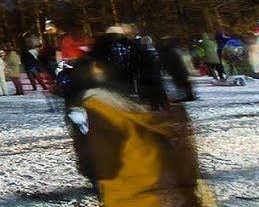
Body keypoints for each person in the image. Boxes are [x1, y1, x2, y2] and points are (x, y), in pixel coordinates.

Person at [71, 35, 208, 206]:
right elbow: (189, 170)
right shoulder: (171, 112)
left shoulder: (101, 110)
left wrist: (82, 141)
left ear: (97, 67)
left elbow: (105, 168)